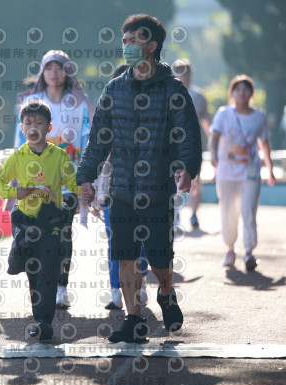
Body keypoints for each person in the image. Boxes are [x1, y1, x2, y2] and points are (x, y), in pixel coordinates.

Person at [77, 14, 202, 343]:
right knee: (125, 255)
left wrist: (187, 167)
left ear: (152, 46)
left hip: (157, 190)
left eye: (134, 41)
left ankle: (166, 292)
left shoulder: (173, 90)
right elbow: (98, 140)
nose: (127, 47)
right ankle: (133, 319)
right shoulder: (114, 89)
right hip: (122, 190)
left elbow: (188, 134)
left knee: (160, 258)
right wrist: (86, 177)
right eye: (125, 41)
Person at [0, 100, 80, 341]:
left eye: (39, 123)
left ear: (49, 128)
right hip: (26, 224)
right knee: (33, 273)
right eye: (28, 123)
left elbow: (73, 184)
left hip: (52, 224)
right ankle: (39, 317)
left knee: (48, 272)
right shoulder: (17, 157)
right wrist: (16, 192)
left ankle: (44, 322)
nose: (33, 127)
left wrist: (85, 192)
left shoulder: (59, 155)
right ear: (22, 128)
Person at [15, 50, 93, 309]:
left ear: (67, 72)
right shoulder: (31, 101)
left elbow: (88, 138)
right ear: (42, 72)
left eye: (59, 68)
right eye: (49, 68)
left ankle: (61, 286)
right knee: (36, 234)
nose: (54, 73)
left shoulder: (79, 102)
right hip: (35, 181)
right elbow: (19, 140)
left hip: (67, 181)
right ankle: (39, 285)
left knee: (63, 234)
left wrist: (87, 176)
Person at [94, 64, 148, 310]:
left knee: (142, 242)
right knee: (115, 245)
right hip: (112, 194)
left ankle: (141, 284)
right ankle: (116, 290)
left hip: (144, 192)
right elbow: (98, 159)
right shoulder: (105, 119)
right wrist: (98, 191)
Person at [209, 74, 276, 271]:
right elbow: (214, 136)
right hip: (226, 171)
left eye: (246, 90)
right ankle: (230, 248)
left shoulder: (259, 117)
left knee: (248, 210)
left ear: (251, 94)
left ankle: (249, 251)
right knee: (228, 211)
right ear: (232, 93)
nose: (242, 93)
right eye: (237, 89)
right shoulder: (224, 114)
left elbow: (265, 144)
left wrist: (271, 170)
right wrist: (213, 154)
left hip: (250, 171)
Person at [172, 58, 212, 230]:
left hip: (193, 146)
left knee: (195, 180)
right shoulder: (169, 94)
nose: (184, 77)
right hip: (173, 146)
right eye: (180, 73)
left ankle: (194, 213)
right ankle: (176, 212)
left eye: (186, 73)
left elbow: (205, 121)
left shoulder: (198, 96)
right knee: (174, 181)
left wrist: (213, 141)